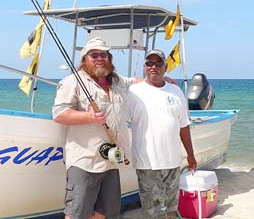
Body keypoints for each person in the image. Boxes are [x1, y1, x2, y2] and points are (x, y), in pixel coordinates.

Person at [52, 37, 137, 219]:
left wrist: (161, 80)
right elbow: (59, 114)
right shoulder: (72, 82)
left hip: (111, 160)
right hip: (85, 161)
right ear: (85, 59)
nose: (100, 58)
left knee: (105, 212)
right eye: (94, 55)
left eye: (104, 54)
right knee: (77, 213)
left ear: (109, 58)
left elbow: (134, 82)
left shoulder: (117, 81)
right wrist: (88, 116)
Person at [127, 49, 197, 219]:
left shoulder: (175, 91)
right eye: (149, 63)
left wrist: (191, 155)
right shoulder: (133, 92)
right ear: (144, 67)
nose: (154, 67)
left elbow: (184, 126)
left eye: (158, 63)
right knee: (154, 213)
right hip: (147, 164)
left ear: (165, 67)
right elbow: (119, 121)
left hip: (173, 163)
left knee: (171, 209)